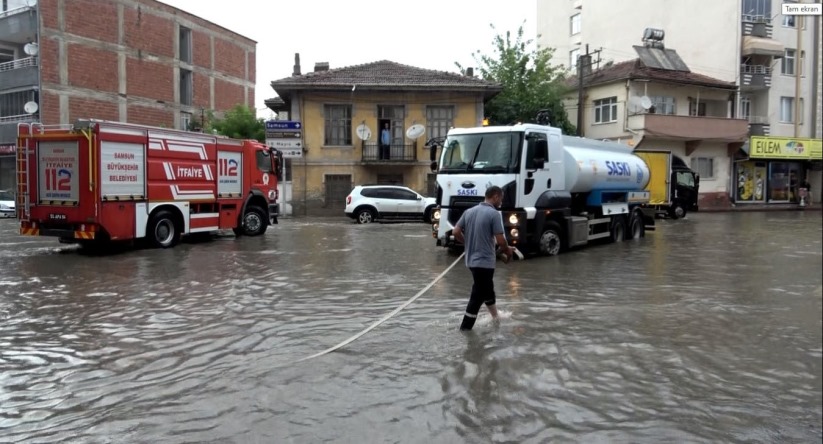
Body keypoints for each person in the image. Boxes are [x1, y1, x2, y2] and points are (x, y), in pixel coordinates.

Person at [452, 185, 513, 331]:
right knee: (477, 296)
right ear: (496, 196)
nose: (501, 203)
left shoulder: (469, 211)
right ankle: (465, 330)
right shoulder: (493, 214)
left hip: (471, 262)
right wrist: (508, 250)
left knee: (487, 289)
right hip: (484, 263)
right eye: (501, 199)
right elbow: (500, 241)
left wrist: (468, 242)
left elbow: (455, 231)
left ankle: (495, 316)